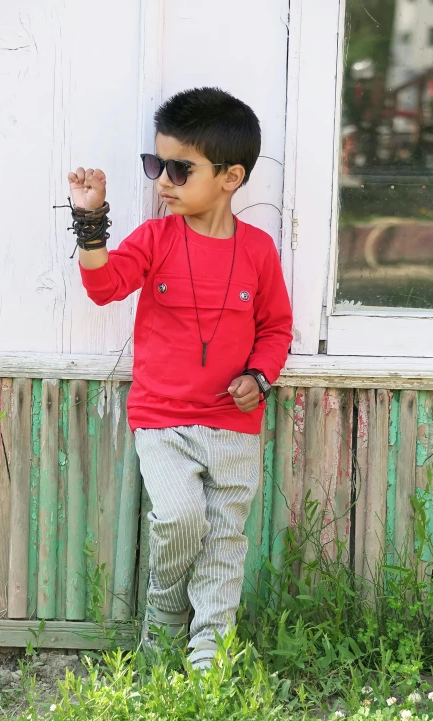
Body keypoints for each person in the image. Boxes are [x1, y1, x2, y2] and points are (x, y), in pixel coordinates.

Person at [67, 86, 293, 670]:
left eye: (178, 168)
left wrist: (261, 377)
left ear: (230, 175)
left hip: (233, 423)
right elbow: (103, 286)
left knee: (223, 541)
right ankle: (164, 626)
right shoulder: (156, 239)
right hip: (163, 419)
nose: (161, 180)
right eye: (155, 165)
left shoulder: (259, 251)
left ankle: (209, 652)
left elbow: (276, 328)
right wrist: (91, 220)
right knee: (179, 517)